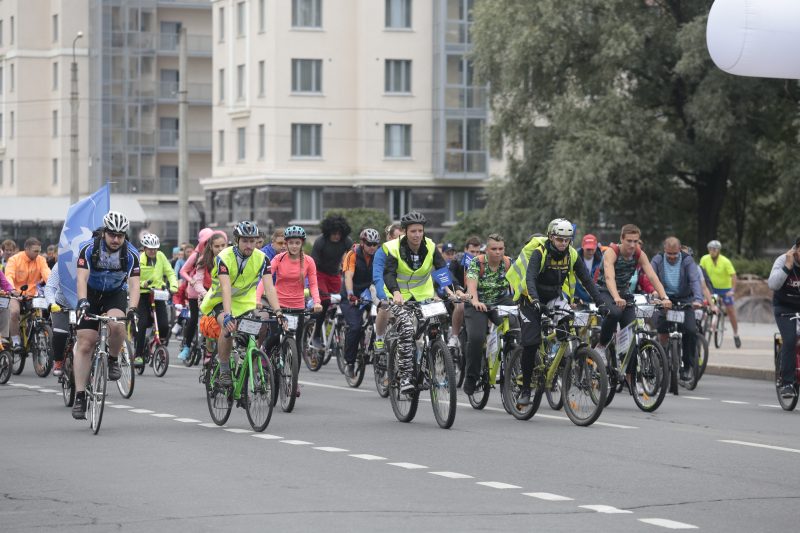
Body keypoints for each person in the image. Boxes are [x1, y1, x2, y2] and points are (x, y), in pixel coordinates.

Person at [505, 219, 604, 405]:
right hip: (529, 299)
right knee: (531, 343)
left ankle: (557, 366)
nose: (563, 244)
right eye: (559, 239)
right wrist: (534, 300)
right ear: (551, 237)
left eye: (567, 240)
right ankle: (525, 388)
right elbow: (530, 278)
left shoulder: (572, 254)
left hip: (553, 297)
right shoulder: (539, 252)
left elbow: (587, 280)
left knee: (568, 326)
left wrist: (601, 303)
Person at [72, 211, 141, 419]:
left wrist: (133, 308)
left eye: (120, 235)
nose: (116, 239)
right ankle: (80, 395)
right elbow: (81, 279)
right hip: (91, 294)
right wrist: (83, 301)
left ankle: (112, 359)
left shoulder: (130, 253)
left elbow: (134, 284)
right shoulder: (89, 248)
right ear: (104, 233)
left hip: (114, 294)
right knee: (86, 342)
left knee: (119, 325)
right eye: (112, 235)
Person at [200, 221, 282, 387]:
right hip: (220, 301)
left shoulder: (263, 258)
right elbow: (225, 287)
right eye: (245, 240)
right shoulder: (224, 257)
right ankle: (224, 371)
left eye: (252, 241)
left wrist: (278, 312)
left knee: (263, 323)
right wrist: (229, 314)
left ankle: (250, 359)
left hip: (245, 303)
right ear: (236, 240)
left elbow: (269, 287)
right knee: (227, 326)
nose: (249, 245)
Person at [384, 211, 456, 393]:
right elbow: (389, 274)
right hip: (399, 297)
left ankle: (436, 356)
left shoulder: (430, 246)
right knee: (407, 329)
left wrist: (452, 290)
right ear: (405, 232)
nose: (417, 235)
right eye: (413, 231)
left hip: (424, 295)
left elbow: (441, 269)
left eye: (420, 231)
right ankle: (406, 377)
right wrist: (395, 292)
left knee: (438, 321)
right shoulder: (394, 248)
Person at [594, 224, 670, 361]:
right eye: (629, 241)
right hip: (604, 290)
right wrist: (616, 297)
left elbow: (652, 276)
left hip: (623, 293)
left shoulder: (639, 254)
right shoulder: (612, 252)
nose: (633, 245)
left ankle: (629, 379)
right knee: (615, 312)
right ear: (622, 239)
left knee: (630, 338)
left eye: (635, 241)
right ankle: (601, 345)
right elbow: (609, 277)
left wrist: (664, 297)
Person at [263, 226, 322, 387]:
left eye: (297, 243)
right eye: (291, 243)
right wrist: (256, 299)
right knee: (274, 338)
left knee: (295, 347)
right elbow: (265, 280)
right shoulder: (278, 259)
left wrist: (317, 302)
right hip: (279, 305)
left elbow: (314, 284)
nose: (294, 246)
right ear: (286, 244)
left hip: (298, 307)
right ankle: (264, 359)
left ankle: (293, 381)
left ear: (302, 243)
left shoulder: (309, 261)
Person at [462, 233, 516, 396]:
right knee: (477, 338)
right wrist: (475, 301)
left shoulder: (508, 262)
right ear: (487, 250)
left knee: (517, 330)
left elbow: (517, 285)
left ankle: (515, 364)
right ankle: (471, 377)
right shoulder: (477, 263)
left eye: (501, 249)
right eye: (494, 249)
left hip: (501, 300)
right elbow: (471, 285)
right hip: (477, 304)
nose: (498, 252)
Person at [651, 237, 704, 381]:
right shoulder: (658, 260)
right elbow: (650, 277)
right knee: (661, 328)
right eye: (669, 254)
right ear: (664, 250)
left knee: (691, 331)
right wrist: (654, 293)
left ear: (680, 249)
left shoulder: (687, 260)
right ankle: (662, 356)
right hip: (664, 299)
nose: (673, 257)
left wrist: (698, 300)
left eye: (675, 254)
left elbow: (694, 280)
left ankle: (687, 366)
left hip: (685, 300)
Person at [179, 229, 227, 361]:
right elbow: (185, 272)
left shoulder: (230, 258)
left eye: (223, 245)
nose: (220, 248)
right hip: (201, 292)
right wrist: (193, 282)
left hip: (222, 293)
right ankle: (199, 349)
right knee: (199, 320)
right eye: (216, 246)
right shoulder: (199, 258)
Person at [340, 228, 380, 378]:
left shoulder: (379, 255)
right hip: (352, 294)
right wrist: (350, 294)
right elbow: (348, 276)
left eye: (375, 244)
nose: (372, 247)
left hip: (370, 292)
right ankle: (349, 362)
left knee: (383, 317)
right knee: (355, 327)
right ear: (362, 242)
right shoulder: (352, 254)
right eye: (369, 244)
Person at [134, 233, 178, 366]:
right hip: (143, 294)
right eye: (150, 248)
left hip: (158, 294)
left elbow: (170, 272)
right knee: (142, 324)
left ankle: (160, 346)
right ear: (145, 248)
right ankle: (139, 355)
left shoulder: (161, 256)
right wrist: (143, 284)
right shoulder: (139, 259)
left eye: (155, 248)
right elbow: (133, 279)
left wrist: (174, 286)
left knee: (164, 324)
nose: (153, 251)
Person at [310, 215, 352, 347]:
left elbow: (353, 257)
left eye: (339, 233)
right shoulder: (320, 242)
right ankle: (316, 335)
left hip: (335, 274)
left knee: (341, 300)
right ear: (328, 232)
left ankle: (331, 331)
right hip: (320, 273)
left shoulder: (346, 241)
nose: (337, 236)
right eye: (334, 234)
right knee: (325, 301)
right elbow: (313, 265)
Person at [5, 238, 51, 352]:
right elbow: (8, 277)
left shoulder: (41, 260)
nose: (38, 254)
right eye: (35, 251)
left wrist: (52, 286)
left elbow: (47, 274)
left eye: (39, 251)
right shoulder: (14, 260)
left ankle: (38, 335)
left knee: (39, 314)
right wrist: (12, 291)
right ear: (26, 249)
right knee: (14, 312)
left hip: (32, 295)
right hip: (16, 294)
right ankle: (15, 340)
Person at [768, 238, 800, 398]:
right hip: (784, 308)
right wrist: (787, 267)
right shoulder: (782, 260)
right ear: (796, 250)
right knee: (790, 339)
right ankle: (787, 383)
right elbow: (773, 284)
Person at [700, 240, 741, 348]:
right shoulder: (704, 259)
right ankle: (703, 329)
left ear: (718, 250)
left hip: (725, 289)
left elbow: (733, 276)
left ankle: (736, 334)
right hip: (712, 289)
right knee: (707, 306)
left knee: (730, 310)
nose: (712, 251)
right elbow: (700, 272)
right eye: (710, 249)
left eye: (715, 249)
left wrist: (732, 290)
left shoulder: (725, 261)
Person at [372, 223, 403, 356]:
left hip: (400, 288)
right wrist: (383, 297)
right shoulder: (381, 253)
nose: (401, 242)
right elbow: (378, 277)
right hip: (380, 287)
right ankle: (379, 338)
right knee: (384, 307)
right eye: (397, 238)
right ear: (389, 238)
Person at [446, 236, 481, 351]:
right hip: (457, 294)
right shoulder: (457, 260)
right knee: (460, 305)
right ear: (466, 250)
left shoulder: (482, 262)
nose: (475, 255)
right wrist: (458, 290)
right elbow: (450, 276)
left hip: (474, 295)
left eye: (477, 252)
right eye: (472, 252)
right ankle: (454, 336)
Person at [43, 263, 71, 377]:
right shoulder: (61, 265)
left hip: (84, 305)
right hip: (62, 304)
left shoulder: (91, 260)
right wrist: (51, 303)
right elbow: (50, 287)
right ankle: (58, 361)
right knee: (60, 333)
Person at [574, 234, 603, 304]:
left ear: (596, 247)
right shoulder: (574, 258)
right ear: (583, 246)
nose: (590, 251)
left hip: (596, 300)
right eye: (588, 249)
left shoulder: (602, 260)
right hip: (578, 300)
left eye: (592, 249)